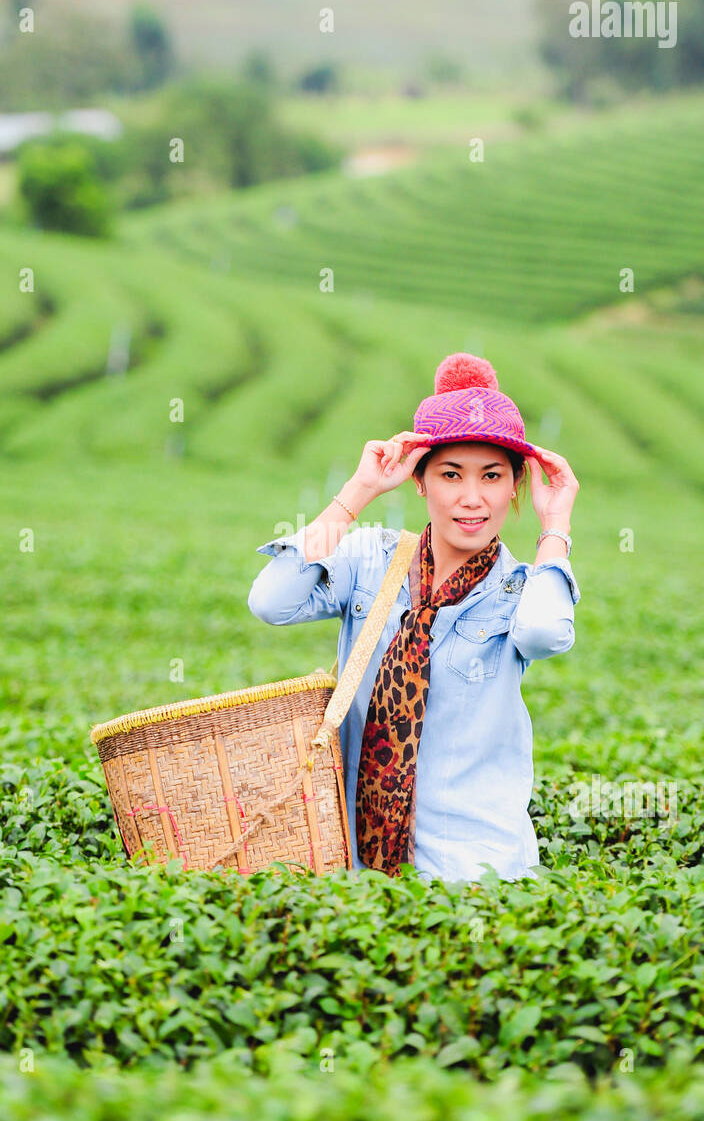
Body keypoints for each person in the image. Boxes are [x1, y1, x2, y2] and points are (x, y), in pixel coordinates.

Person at [247, 352, 580, 884]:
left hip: (474, 870)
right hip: (358, 863)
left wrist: (555, 524)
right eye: (451, 474)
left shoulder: (521, 588)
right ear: (420, 481)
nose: (472, 499)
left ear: (515, 485)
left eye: (492, 476)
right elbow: (272, 600)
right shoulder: (370, 560)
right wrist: (359, 491)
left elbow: (544, 633)